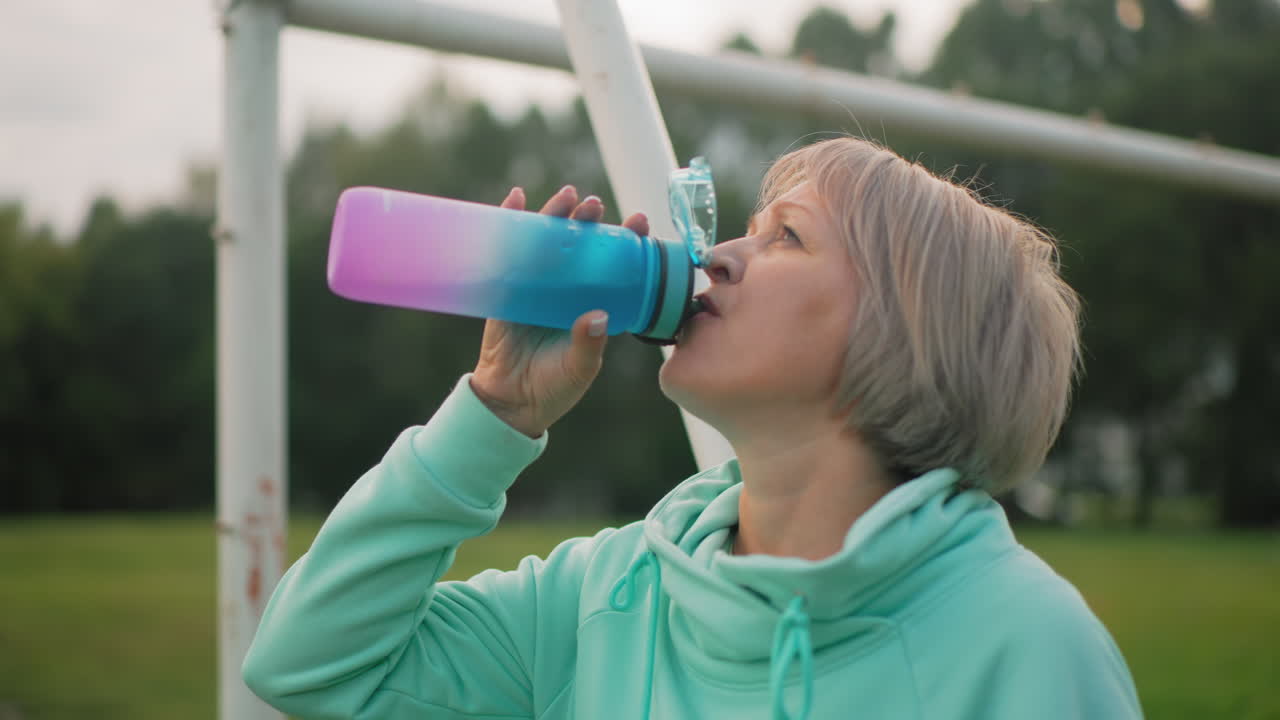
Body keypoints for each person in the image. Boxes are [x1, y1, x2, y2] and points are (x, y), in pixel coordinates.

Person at [242, 137, 1143, 719]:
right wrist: (495, 414)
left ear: (910, 331)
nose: (716, 257)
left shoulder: (1028, 650)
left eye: (784, 236)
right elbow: (310, 664)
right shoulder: (609, 597)